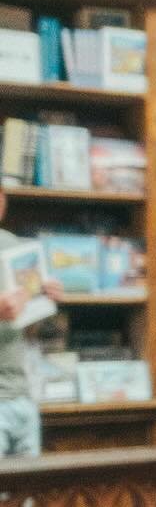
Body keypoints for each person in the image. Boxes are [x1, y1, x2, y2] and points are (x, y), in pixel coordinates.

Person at [0, 188, 61, 459]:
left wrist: (45, 299)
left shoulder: (14, 246)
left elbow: (28, 328)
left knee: (27, 499)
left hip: (20, 397)